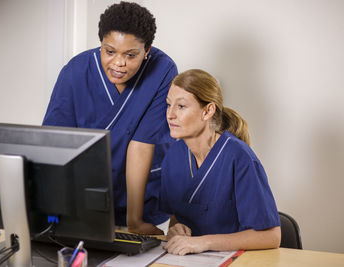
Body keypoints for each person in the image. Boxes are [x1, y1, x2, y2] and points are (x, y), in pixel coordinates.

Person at [43, 2, 177, 234]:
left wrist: (135, 221)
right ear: (101, 45)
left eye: (131, 55)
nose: (118, 63)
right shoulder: (75, 72)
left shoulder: (162, 70)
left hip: (140, 196)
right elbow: (54, 145)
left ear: (147, 51)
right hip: (83, 199)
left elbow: (142, 143)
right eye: (110, 51)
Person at [160, 69, 281, 255]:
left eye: (181, 106)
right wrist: (176, 228)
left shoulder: (239, 157)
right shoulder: (173, 155)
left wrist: (204, 242)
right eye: (168, 105)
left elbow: (271, 236)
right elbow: (178, 215)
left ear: (208, 111)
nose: (170, 115)